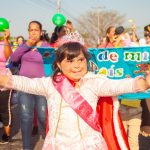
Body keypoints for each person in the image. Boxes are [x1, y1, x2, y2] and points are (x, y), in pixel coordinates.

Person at [1, 41, 150, 150]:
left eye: (81, 60)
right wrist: (4, 79)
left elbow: (118, 85)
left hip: (89, 145)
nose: (77, 65)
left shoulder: (94, 82)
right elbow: (24, 83)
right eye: (70, 61)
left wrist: (143, 84)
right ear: (59, 64)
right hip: (57, 145)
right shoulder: (50, 84)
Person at [10, 20, 49, 150]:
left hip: (41, 86)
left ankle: (47, 140)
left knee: (43, 116)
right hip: (25, 85)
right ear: (28, 32)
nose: (33, 32)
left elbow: (52, 64)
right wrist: (27, 45)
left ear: (40, 32)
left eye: (36, 30)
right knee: (26, 117)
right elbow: (14, 59)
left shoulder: (46, 46)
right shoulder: (23, 45)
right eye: (31, 30)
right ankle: (26, 147)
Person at [0, 29, 12, 144]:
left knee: (4, 108)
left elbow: (9, 56)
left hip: (4, 81)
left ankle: (6, 134)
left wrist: (6, 38)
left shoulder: (4, 44)